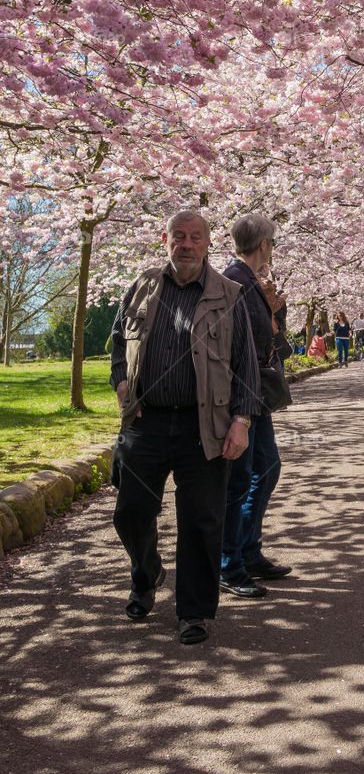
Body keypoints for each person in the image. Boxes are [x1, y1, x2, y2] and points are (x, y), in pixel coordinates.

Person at [110, 210, 262, 646]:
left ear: (208, 242)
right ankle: (146, 574)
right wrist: (122, 385)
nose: (187, 244)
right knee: (131, 511)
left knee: (202, 519)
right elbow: (119, 341)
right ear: (166, 239)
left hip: (206, 424)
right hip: (146, 420)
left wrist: (242, 421)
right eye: (179, 236)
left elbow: (246, 365)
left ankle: (193, 611)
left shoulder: (229, 293)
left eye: (196, 237)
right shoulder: (141, 286)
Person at [220, 214, 291, 600]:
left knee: (266, 468)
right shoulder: (237, 282)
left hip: (255, 395)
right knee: (242, 478)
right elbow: (242, 345)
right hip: (244, 394)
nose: (272, 250)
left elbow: (269, 337)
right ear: (263, 245)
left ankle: (247, 550)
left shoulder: (249, 283)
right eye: (272, 244)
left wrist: (274, 310)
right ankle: (229, 561)